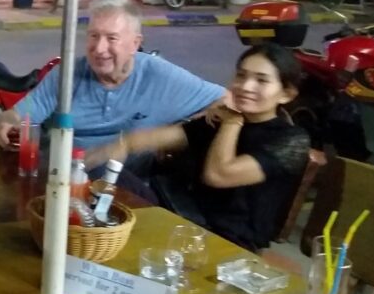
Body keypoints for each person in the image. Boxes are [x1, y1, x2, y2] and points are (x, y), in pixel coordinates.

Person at [87, 43, 309, 251]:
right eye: (241, 75)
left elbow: (218, 174)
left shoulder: (290, 140)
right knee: (98, 174)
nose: (245, 86)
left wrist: (232, 121)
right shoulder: (219, 119)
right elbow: (162, 137)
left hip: (224, 239)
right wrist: (115, 147)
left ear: (286, 94)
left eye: (261, 81)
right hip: (177, 211)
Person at [0, 0, 225, 152]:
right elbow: (19, 116)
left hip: (131, 192)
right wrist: (7, 122)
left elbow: (226, 101)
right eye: (94, 36)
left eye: (111, 38)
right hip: (63, 181)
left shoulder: (160, 75)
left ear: (135, 44)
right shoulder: (66, 74)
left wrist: (179, 132)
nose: (99, 48)